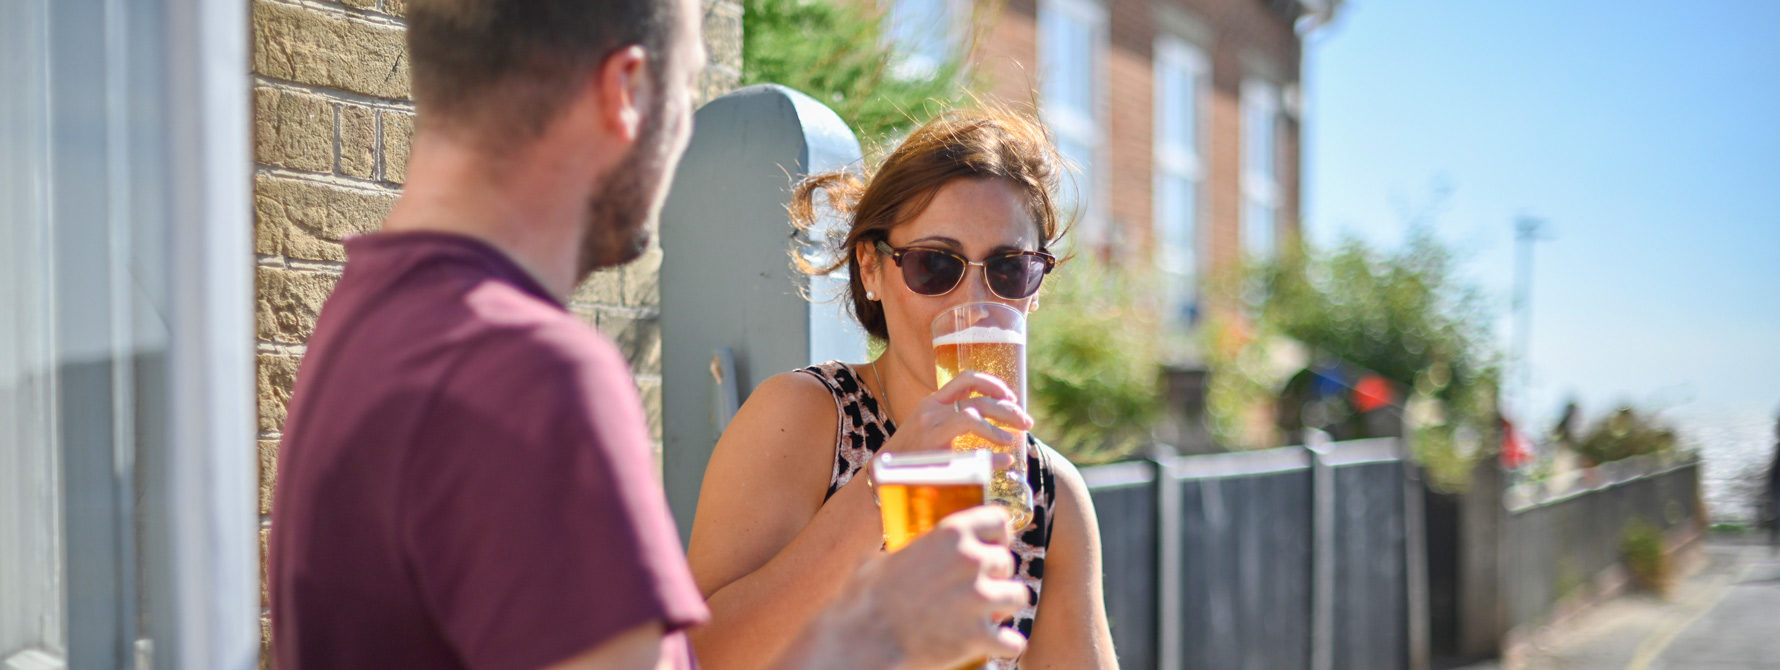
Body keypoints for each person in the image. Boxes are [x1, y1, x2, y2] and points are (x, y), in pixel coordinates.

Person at [267, 0, 1030, 668]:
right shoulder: (532, 372)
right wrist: (883, 641)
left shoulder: (360, 318)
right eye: (688, 95)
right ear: (627, 91)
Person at [686, 109, 1118, 669]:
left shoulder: (1048, 492)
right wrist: (887, 484)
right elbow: (696, 656)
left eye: (1009, 268)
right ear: (871, 268)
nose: (974, 302)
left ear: (1035, 288)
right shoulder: (810, 417)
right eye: (935, 264)